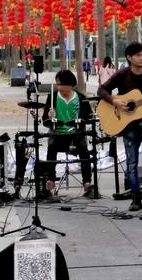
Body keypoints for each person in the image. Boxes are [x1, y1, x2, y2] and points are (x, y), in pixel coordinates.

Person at [97, 41, 142, 211]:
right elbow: (102, 90)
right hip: (129, 126)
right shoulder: (122, 74)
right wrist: (114, 100)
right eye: (138, 55)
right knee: (131, 163)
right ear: (129, 57)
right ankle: (136, 198)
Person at [42, 69, 93, 198]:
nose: (58, 87)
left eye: (60, 84)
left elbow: (88, 116)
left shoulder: (81, 98)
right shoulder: (52, 97)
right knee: (51, 149)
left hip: (75, 133)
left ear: (69, 84)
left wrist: (80, 121)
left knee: (84, 152)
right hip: (58, 133)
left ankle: (87, 182)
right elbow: (44, 119)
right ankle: (51, 180)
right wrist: (49, 116)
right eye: (57, 84)